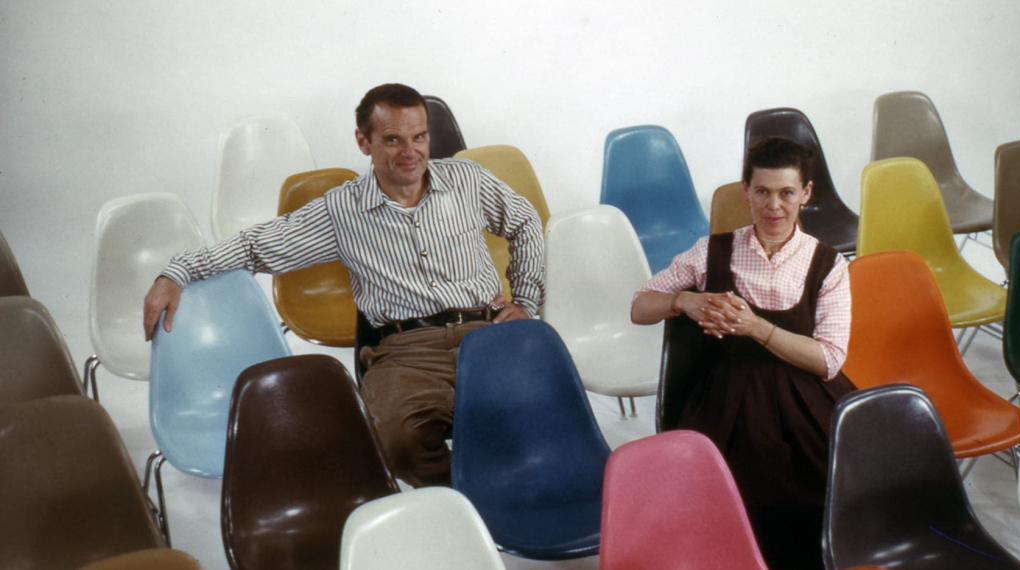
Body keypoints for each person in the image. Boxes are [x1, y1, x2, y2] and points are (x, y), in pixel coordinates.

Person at [142, 83, 544, 488]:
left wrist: (525, 301)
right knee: (397, 441)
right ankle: (473, 506)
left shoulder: (467, 180)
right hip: (405, 352)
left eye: (419, 137)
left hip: (487, 333)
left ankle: (510, 494)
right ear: (363, 141)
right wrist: (178, 271)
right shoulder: (342, 210)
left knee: (542, 411)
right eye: (392, 139)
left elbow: (525, 222)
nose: (411, 152)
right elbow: (256, 245)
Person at [630, 137, 854, 570]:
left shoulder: (828, 265)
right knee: (722, 492)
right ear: (745, 191)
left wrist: (756, 328)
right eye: (763, 192)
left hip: (805, 398)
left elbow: (828, 360)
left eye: (787, 193)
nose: (774, 206)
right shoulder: (713, 250)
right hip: (727, 397)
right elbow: (640, 306)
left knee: (836, 481)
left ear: (806, 194)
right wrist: (684, 302)